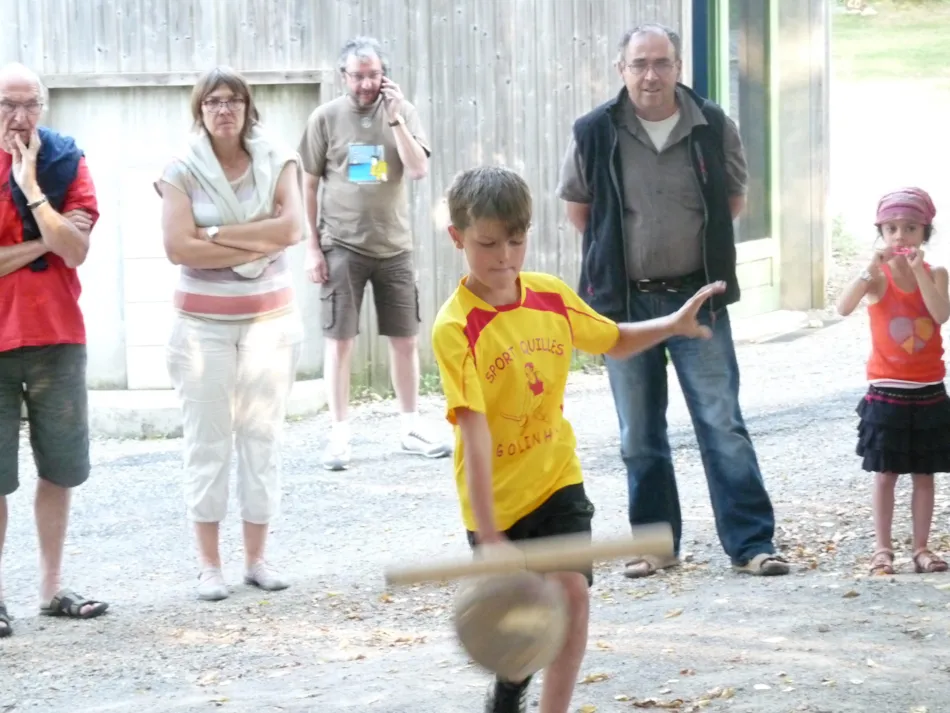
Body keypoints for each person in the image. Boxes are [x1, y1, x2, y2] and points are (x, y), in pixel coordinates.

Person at [432, 165, 725, 713]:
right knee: (520, 626)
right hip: (496, 500)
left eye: (515, 241)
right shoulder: (456, 328)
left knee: (570, 595)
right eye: (487, 244)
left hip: (556, 478)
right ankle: (511, 686)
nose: (504, 257)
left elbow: (611, 339)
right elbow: (471, 430)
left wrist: (671, 324)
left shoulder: (549, 296)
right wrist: (491, 533)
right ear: (457, 237)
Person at [556, 23, 789, 579]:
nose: (651, 75)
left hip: (698, 294)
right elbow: (581, 213)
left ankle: (752, 543)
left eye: (661, 62)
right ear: (622, 70)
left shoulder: (712, 126)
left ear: (678, 67)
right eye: (639, 64)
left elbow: (731, 200)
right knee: (639, 433)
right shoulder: (593, 131)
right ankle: (656, 548)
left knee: (722, 422)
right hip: (626, 304)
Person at [156, 67, 305, 601]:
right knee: (208, 441)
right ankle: (209, 565)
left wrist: (215, 234)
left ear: (248, 108)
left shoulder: (278, 157)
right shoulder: (180, 169)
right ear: (200, 110)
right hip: (202, 327)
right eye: (213, 101)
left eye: (234, 100)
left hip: (269, 320)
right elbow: (179, 247)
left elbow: (293, 230)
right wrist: (254, 243)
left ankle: (258, 558)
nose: (224, 109)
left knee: (262, 438)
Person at [298, 36, 451, 471]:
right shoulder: (324, 118)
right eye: (358, 75)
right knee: (339, 341)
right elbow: (307, 183)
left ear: (384, 75)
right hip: (341, 245)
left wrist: (396, 119)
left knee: (405, 339)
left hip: (394, 246)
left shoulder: (403, 113)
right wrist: (312, 246)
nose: (366, 83)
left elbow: (419, 170)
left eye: (373, 74)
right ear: (343, 76)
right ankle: (340, 436)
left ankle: (410, 428)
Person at [0, 62, 108, 637]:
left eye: (30, 105)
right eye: (7, 105)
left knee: (60, 470)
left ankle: (50, 589)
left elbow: (77, 251)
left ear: (43, 106)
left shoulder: (66, 160)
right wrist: (50, 238)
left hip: (58, 336)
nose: (19, 118)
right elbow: (61, 243)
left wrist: (34, 190)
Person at [836, 188, 950, 575]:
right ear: (880, 231)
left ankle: (921, 547)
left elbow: (939, 315)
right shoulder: (876, 278)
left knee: (924, 473)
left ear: (925, 232)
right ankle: (882, 549)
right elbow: (843, 306)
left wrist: (919, 271)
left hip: (929, 389)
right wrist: (870, 265)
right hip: (886, 391)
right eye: (891, 228)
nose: (900, 236)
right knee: (885, 474)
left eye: (910, 228)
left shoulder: (936, 274)